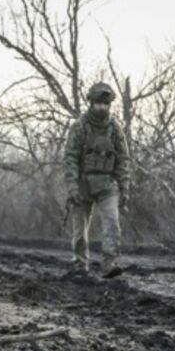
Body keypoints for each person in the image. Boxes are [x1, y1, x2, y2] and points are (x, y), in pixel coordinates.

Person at [63, 82, 131, 278]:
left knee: (112, 223)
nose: (102, 107)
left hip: (107, 184)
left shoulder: (115, 129)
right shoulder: (79, 127)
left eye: (105, 104)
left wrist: (124, 186)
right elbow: (70, 158)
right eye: (98, 104)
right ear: (91, 103)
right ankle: (80, 264)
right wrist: (72, 186)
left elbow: (123, 159)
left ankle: (110, 263)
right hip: (83, 184)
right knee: (80, 230)